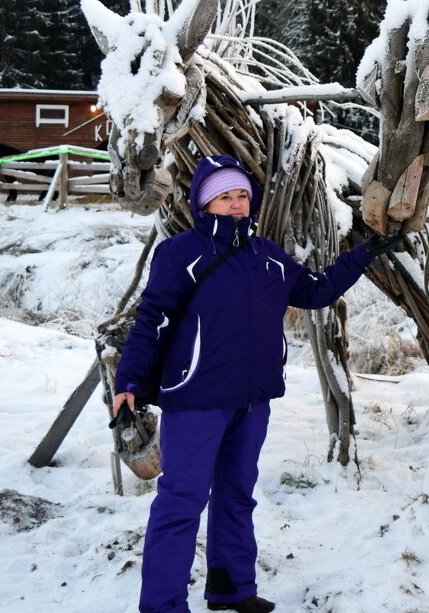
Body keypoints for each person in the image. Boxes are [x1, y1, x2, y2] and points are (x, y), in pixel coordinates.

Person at [111, 155, 402, 613]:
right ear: (205, 202)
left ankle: (231, 588)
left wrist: (363, 253)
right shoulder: (180, 254)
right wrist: (127, 380)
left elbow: (317, 290)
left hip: (252, 400)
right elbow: (152, 319)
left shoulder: (267, 256)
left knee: (237, 493)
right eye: (224, 196)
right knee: (182, 501)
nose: (235, 204)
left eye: (242, 195)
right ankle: (162, 605)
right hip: (196, 398)